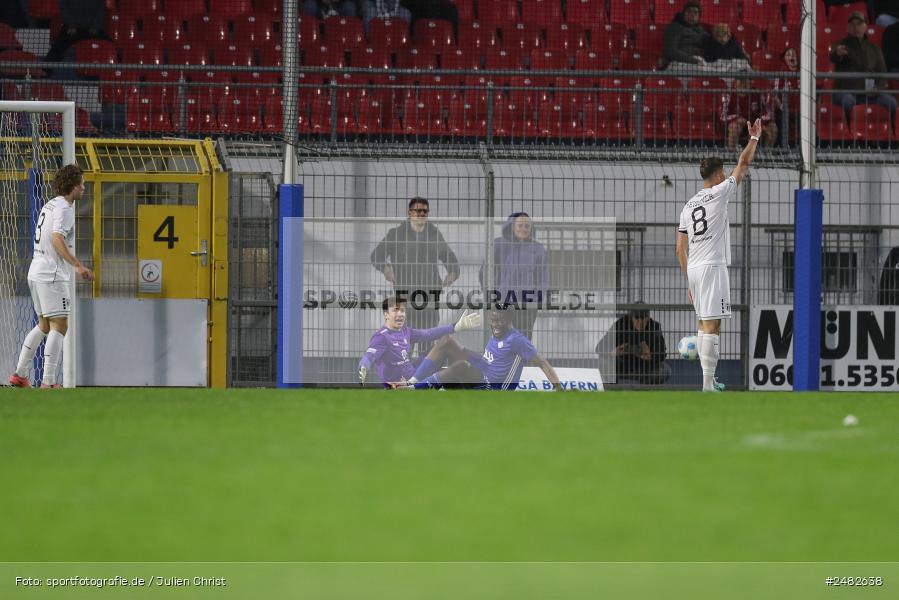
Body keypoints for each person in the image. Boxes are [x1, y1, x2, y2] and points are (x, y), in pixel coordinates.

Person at [675, 120, 761, 392]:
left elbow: (679, 249)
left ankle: (709, 381)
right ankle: (706, 386)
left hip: (695, 270)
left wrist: (689, 280)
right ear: (716, 176)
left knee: (702, 325)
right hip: (712, 267)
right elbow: (744, 164)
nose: (726, 176)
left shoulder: (688, 206)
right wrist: (754, 139)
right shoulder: (719, 193)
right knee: (712, 326)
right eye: (723, 173)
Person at [8, 164, 94, 389]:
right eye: (82, 184)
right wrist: (78, 266)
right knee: (60, 326)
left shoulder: (50, 204)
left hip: (36, 272)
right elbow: (57, 239)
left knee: (44, 325)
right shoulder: (65, 208)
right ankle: (48, 382)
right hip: (52, 275)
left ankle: (19, 374)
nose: (84, 188)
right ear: (73, 186)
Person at [370, 197, 460, 355]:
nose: (422, 213)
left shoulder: (434, 234)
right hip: (405, 293)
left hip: (430, 295)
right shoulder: (397, 234)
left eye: (425, 211)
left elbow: (449, 257)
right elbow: (376, 255)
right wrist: (385, 268)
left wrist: (452, 272)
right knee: (405, 340)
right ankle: (404, 377)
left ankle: (424, 377)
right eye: (418, 210)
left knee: (428, 341)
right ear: (409, 213)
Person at [399, 306, 562, 390]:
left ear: (510, 320)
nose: (495, 325)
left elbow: (541, 362)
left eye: (500, 321)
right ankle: (412, 382)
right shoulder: (498, 332)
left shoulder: (517, 340)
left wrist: (558, 387)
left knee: (460, 367)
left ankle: (415, 389)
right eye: (493, 320)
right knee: (446, 340)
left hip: (492, 386)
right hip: (483, 369)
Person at [357, 296, 481, 387]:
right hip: (398, 384)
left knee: (437, 346)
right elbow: (369, 355)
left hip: (413, 373)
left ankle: (421, 382)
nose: (400, 314)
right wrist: (363, 366)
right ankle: (416, 384)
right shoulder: (381, 337)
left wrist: (455, 327)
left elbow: (428, 334)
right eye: (395, 310)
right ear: (386, 315)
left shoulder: (405, 331)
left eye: (403, 311)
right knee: (446, 342)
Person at [481, 212, 548, 340]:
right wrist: (492, 294)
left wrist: (535, 299)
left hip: (527, 304)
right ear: (512, 226)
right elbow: (486, 271)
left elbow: (542, 278)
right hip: (502, 301)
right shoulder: (498, 245)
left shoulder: (538, 249)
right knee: (502, 339)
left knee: (523, 339)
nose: (523, 229)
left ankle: (521, 361)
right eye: (520, 225)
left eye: (527, 226)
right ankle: (504, 361)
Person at [830, 11, 898, 120]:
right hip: (846, 91)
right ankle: (847, 133)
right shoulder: (840, 45)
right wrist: (837, 54)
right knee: (848, 101)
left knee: (891, 102)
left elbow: (883, 74)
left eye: (859, 24)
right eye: (852, 24)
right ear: (848, 27)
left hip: (869, 94)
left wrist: (878, 88)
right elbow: (833, 56)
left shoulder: (874, 49)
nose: (856, 27)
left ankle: (890, 134)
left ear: (865, 27)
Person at [596, 304, 671, 385]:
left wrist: (651, 356)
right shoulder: (620, 324)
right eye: (636, 318)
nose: (640, 322)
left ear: (648, 318)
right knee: (602, 362)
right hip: (623, 365)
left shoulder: (654, 326)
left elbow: (662, 353)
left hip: (645, 367)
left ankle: (644, 392)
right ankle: (613, 390)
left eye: (643, 318)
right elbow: (599, 348)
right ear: (630, 317)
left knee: (665, 370)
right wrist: (614, 352)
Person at [661, 1, 709, 70]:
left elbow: (712, 44)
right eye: (689, 11)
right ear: (683, 14)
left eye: (695, 12)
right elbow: (671, 51)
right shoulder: (674, 27)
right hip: (677, 63)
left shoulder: (701, 31)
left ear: (699, 16)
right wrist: (694, 61)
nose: (692, 15)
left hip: (699, 62)